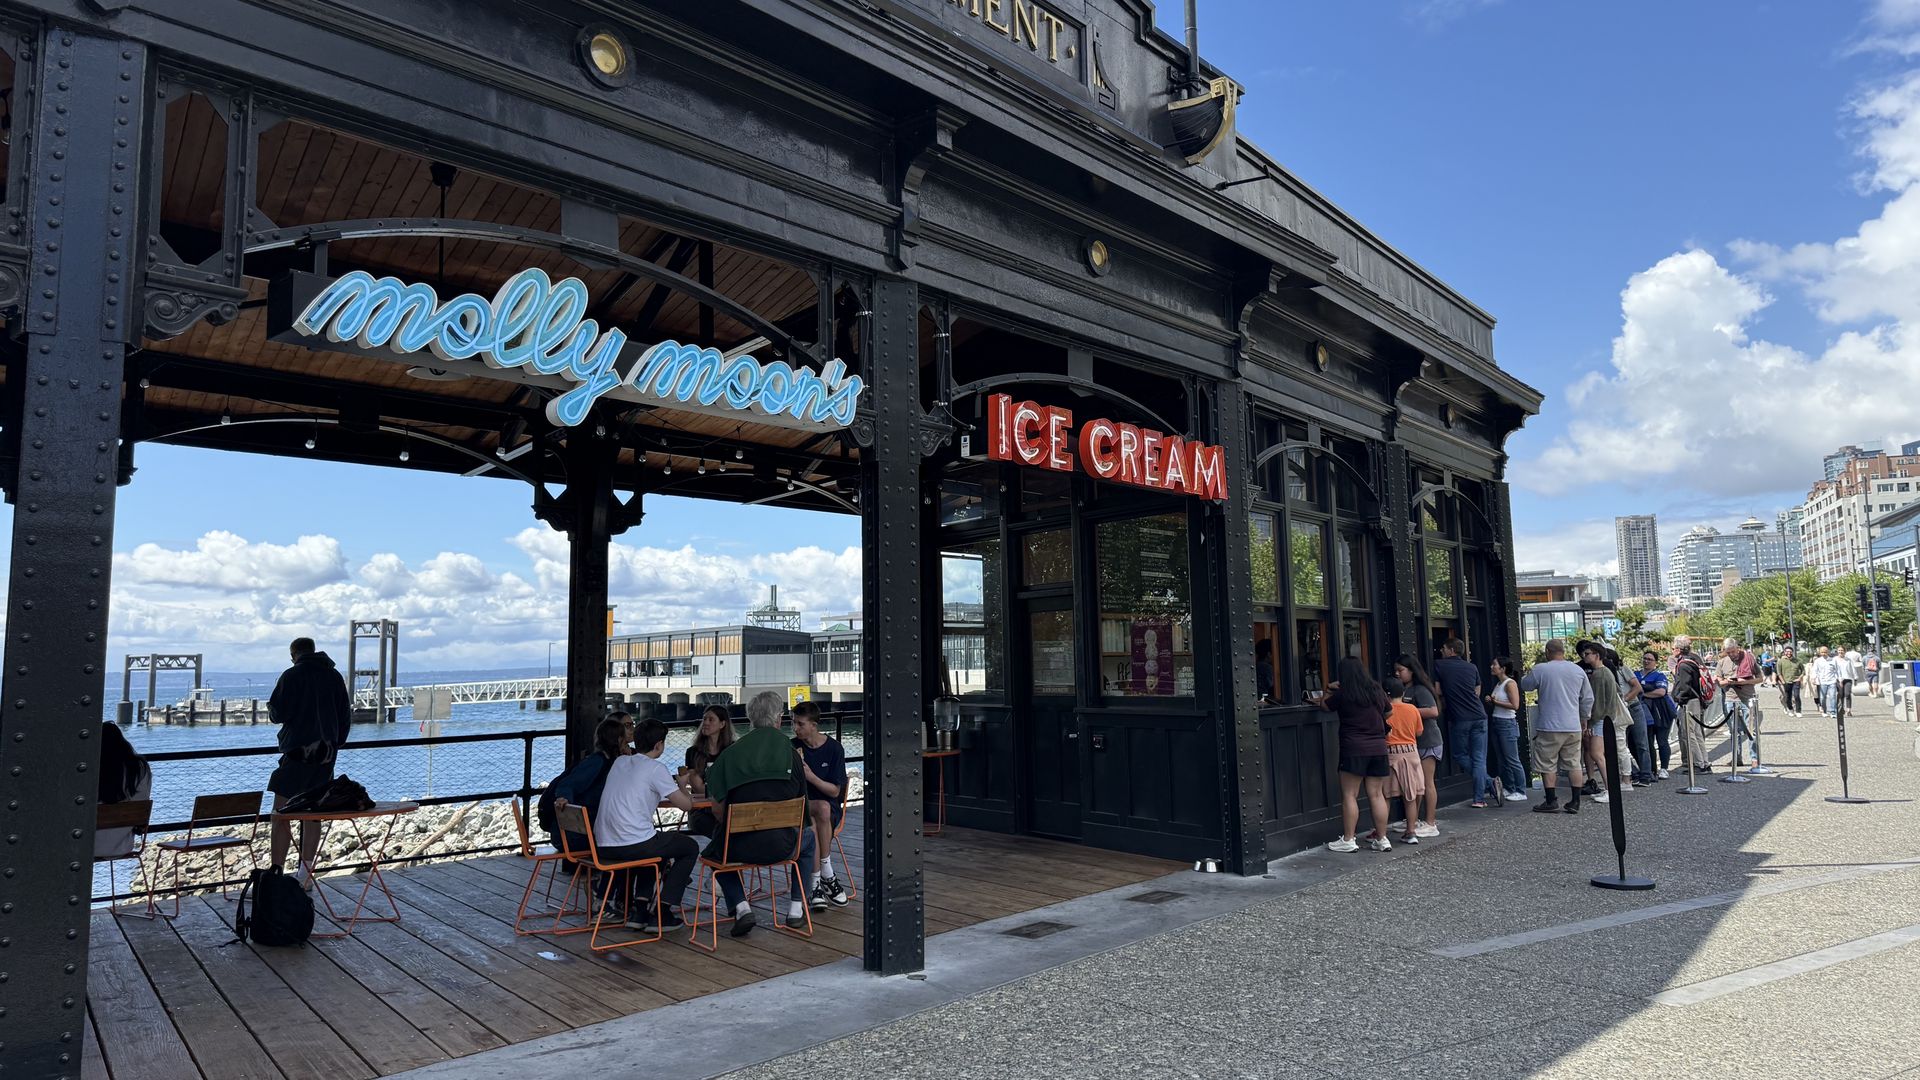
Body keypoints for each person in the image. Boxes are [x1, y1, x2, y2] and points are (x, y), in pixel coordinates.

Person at [703, 691, 817, 932]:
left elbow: (716, 807)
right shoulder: (791, 754)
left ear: (750, 719)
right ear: (779, 719)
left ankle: (742, 907)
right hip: (784, 844)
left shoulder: (730, 754)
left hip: (737, 847)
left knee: (714, 849)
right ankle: (797, 908)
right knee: (808, 839)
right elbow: (801, 808)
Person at [587, 718, 699, 932]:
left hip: (603, 845)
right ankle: (663, 911)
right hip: (633, 844)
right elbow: (686, 806)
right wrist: (683, 785)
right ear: (659, 745)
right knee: (689, 847)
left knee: (657, 847)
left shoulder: (620, 762)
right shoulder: (656, 768)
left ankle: (639, 910)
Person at [267, 637, 352, 886]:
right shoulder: (334, 676)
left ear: (294, 654)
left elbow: (278, 713)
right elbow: (344, 716)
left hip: (296, 755)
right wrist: (336, 742)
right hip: (326, 756)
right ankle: (304, 874)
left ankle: (276, 872)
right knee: (313, 813)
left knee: (280, 814)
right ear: (314, 651)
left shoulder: (292, 675)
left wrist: (272, 708)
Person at [1324, 658, 1393, 852]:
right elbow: (1389, 712)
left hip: (1353, 747)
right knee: (1377, 794)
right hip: (1378, 747)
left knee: (1350, 794)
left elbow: (1325, 706)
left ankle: (1349, 839)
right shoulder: (1376, 689)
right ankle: (1382, 838)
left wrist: (1329, 689)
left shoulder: (1344, 693)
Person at [1520, 639, 1592, 813]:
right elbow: (1588, 698)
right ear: (1564, 651)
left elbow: (1525, 685)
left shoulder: (1541, 669)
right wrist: (1584, 717)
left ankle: (1551, 800)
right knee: (1574, 763)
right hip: (1573, 724)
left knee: (1547, 763)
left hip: (1549, 725)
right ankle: (1575, 801)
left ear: (1547, 651)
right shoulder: (1577, 670)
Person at [791, 701, 850, 909]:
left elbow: (835, 791)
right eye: (793, 723)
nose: (795, 728)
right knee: (815, 814)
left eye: (800, 724)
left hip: (827, 809)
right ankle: (826, 876)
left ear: (814, 726)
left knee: (821, 813)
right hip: (800, 806)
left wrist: (810, 776)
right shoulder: (792, 747)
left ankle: (816, 882)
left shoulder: (834, 749)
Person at [550, 716, 631, 855]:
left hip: (581, 832)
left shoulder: (610, 761)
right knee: (631, 841)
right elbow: (568, 785)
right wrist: (563, 797)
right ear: (618, 740)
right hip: (578, 836)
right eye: (624, 738)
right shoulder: (598, 762)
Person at [1433, 638, 1493, 808]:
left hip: (1459, 717)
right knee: (1479, 758)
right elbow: (1477, 691)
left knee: (1460, 755)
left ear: (1451, 650)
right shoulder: (1471, 667)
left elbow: (1437, 690)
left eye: (1443, 648)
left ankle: (1490, 782)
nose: (1441, 651)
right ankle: (1479, 799)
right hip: (1479, 715)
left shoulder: (1440, 665)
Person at [1392, 655, 1442, 837]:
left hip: (1428, 740)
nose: (1397, 674)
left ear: (1411, 671)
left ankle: (1430, 822)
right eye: (1396, 670)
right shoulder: (1406, 689)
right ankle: (1413, 821)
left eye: (1401, 670)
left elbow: (1433, 711)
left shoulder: (1420, 689)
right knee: (1415, 784)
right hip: (1414, 741)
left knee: (1427, 782)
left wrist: (1409, 711)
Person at [95, 723, 153, 858]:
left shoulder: (94, 767)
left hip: (88, 844)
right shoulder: (140, 768)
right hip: (123, 844)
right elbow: (142, 800)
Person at [1576, 640, 1624, 802]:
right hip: (1608, 717)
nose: (1585, 656)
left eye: (1588, 654)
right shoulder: (1608, 672)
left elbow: (1594, 701)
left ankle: (1610, 789)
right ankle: (1610, 788)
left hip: (1599, 718)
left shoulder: (1598, 675)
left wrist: (1588, 722)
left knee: (1597, 753)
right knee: (1601, 754)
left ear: (1596, 655)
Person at [1381, 676, 1425, 846]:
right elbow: (1419, 732)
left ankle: (1381, 833)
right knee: (1411, 795)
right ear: (1403, 692)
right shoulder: (1412, 709)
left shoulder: (1384, 710)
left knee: (1385, 795)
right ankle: (1411, 831)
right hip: (1411, 753)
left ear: (1385, 693)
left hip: (1391, 753)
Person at [682, 705, 736, 837]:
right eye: (704, 719)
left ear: (722, 724)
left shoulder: (733, 750)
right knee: (716, 829)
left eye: (711, 720)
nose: (705, 723)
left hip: (727, 807)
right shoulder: (693, 752)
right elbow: (698, 788)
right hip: (701, 810)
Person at [1484, 656, 1529, 801]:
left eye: (1494, 665)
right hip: (1497, 720)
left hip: (1507, 723)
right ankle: (1509, 787)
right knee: (1502, 758)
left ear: (1502, 668)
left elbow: (1515, 705)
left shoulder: (1510, 683)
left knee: (1512, 758)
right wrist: (1491, 702)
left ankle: (1521, 790)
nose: (1492, 667)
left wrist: (1495, 701)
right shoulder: (1498, 684)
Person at [1716, 639, 1763, 769]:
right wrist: (1726, 681)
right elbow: (1719, 681)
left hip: (1747, 697)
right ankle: (1736, 758)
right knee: (1733, 730)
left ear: (1738, 648)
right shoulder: (1722, 662)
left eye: (1733, 651)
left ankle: (1755, 759)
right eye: (1728, 652)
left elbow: (1760, 678)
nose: (1732, 654)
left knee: (1751, 729)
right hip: (1730, 698)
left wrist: (1744, 682)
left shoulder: (1748, 658)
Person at [1610, 647, 1651, 786]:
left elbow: (1637, 687)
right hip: (1619, 709)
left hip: (1632, 706)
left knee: (1641, 743)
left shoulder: (1622, 669)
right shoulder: (1606, 672)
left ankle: (1646, 775)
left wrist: (1624, 699)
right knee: (1621, 744)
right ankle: (1633, 773)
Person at [1671, 636, 1712, 773]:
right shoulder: (1693, 661)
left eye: (1673, 648)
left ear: (1678, 649)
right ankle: (1705, 762)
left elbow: (1684, 686)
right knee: (1697, 733)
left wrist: (1678, 698)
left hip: (1688, 702)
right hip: (1697, 700)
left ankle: (1698, 763)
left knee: (1689, 734)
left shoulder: (1683, 665)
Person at [1637, 649, 1676, 779]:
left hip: (1660, 712)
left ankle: (1664, 768)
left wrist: (1643, 694)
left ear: (1656, 663)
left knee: (1662, 740)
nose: (1646, 661)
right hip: (1643, 712)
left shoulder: (1659, 676)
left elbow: (1660, 692)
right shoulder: (1636, 674)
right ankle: (1652, 769)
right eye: (1645, 658)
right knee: (1648, 742)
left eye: (1650, 659)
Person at [1774, 646, 1804, 718]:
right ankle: (1790, 709)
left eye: (1790, 651)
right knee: (1788, 697)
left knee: (1796, 696)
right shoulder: (1780, 661)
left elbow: (1803, 670)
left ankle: (1798, 711)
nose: (1789, 653)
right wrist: (1783, 681)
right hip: (1786, 681)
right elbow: (1779, 672)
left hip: (1796, 680)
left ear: (1792, 652)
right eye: (1787, 651)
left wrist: (1800, 678)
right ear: (1784, 652)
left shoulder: (1797, 661)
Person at [1811, 646, 1838, 718]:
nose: (1824, 654)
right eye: (1822, 652)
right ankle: (1824, 710)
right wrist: (1813, 678)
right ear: (1820, 653)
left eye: (1825, 652)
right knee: (1822, 698)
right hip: (1822, 681)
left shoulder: (1833, 660)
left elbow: (1837, 670)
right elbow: (1814, 670)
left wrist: (1838, 679)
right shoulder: (1818, 661)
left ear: (1828, 652)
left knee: (1832, 696)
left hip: (1832, 681)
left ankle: (1833, 711)